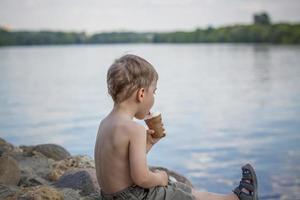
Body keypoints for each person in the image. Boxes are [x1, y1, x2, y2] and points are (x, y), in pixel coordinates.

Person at [94, 54, 258, 200]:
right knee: (178, 192)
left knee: (177, 188)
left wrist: (148, 145)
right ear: (142, 94)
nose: (154, 97)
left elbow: (120, 162)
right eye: (154, 91)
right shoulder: (134, 129)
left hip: (109, 196)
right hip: (132, 196)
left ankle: (233, 197)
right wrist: (160, 178)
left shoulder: (105, 123)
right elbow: (141, 178)